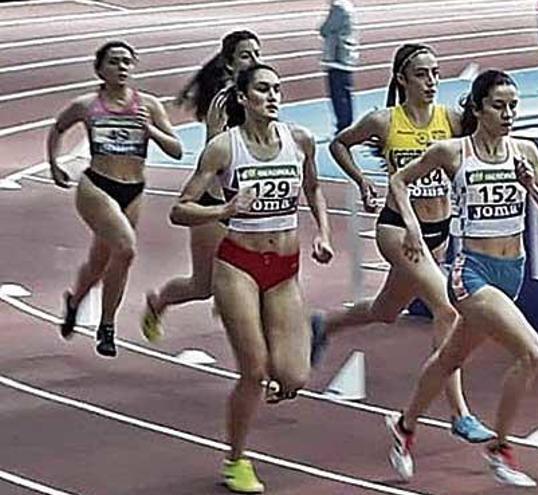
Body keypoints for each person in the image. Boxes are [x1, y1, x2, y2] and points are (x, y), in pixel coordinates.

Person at [384, 69, 538, 487]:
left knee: (451, 358)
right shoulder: (453, 152)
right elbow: (398, 180)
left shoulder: (526, 152)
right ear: (478, 108)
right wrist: (410, 225)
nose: (508, 115)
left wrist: (530, 187)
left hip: (512, 271)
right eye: (499, 106)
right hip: (472, 272)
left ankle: (405, 426)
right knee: (532, 353)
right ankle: (501, 450)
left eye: (513, 107)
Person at [314, 43, 493, 443]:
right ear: (402, 80)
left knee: (386, 310)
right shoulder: (383, 121)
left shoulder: (451, 119)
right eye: (421, 74)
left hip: (438, 231)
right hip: (398, 230)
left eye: (435, 73)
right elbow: (339, 143)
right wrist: (362, 180)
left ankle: (325, 324)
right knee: (446, 307)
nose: (431, 82)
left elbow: (484, 133)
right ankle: (459, 412)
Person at [170, 63, 334, 493]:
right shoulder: (225, 148)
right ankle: (236, 461)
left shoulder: (299, 140)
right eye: (263, 89)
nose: (273, 96)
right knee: (254, 371)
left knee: (294, 377)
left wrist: (323, 233)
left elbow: (314, 188)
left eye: (277, 88)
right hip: (238, 264)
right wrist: (223, 211)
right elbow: (179, 209)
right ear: (243, 98)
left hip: (284, 269)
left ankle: (286, 342)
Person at [49, 40, 182, 357]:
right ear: (100, 69)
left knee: (100, 262)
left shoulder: (148, 105)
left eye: (127, 62)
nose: (121, 67)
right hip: (96, 186)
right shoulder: (86, 105)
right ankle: (107, 326)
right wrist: (54, 163)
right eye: (114, 62)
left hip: (133, 190)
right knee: (126, 248)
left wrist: (150, 131)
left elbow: (176, 149)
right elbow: (57, 128)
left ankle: (75, 301)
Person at [141, 30, 261, 343]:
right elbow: (216, 150)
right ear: (230, 63)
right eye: (246, 55)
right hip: (215, 199)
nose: (254, 61)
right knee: (202, 286)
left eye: (256, 54)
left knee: (261, 272)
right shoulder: (223, 101)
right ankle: (158, 303)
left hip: (248, 199)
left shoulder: (260, 95)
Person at [320, 0, 358, 133]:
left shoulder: (338, 7)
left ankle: (343, 126)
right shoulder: (348, 6)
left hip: (338, 57)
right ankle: (346, 124)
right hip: (346, 56)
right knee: (345, 94)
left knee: (339, 95)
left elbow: (325, 29)